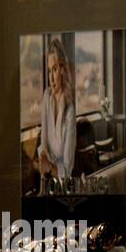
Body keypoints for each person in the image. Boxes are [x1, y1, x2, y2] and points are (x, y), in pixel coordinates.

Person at [38, 36, 76, 188]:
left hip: (64, 186)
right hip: (46, 181)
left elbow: (66, 170)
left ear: (61, 69)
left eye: (54, 69)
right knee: (6, 213)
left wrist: (50, 167)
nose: (51, 78)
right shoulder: (46, 97)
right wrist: (43, 159)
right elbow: (43, 143)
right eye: (49, 71)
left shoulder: (69, 109)